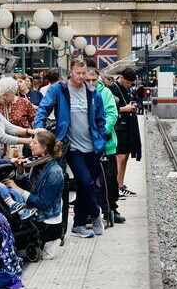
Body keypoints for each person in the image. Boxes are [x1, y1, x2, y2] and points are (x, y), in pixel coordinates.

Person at [33, 58, 107, 238]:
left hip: (93, 146)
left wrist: (102, 138)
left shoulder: (92, 91)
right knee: (86, 182)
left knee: (85, 186)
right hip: (71, 146)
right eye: (78, 73)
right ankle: (96, 215)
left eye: (85, 74)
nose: (82, 77)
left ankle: (79, 224)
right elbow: (43, 108)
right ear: (71, 72)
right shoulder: (59, 90)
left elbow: (100, 118)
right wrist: (38, 127)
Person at [3, 131, 64, 259]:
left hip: (47, 219)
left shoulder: (55, 172)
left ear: (45, 148)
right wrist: (20, 172)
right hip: (36, 211)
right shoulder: (36, 163)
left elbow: (42, 202)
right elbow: (29, 187)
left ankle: (53, 238)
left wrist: (17, 188)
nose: (30, 145)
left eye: (34, 142)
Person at [87, 70, 125, 224]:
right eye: (87, 80)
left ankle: (112, 208)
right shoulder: (79, 93)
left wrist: (100, 133)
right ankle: (92, 210)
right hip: (86, 146)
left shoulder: (105, 93)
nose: (90, 83)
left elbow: (112, 114)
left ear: (98, 79)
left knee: (109, 179)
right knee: (90, 180)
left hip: (106, 144)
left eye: (93, 80)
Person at [109, 68, 142, 197]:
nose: (129, 85)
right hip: (118, 127)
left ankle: (120, 183)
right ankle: (115, 185)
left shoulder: (126, 89)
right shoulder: (112, 88)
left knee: (126, 157)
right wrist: (124, 108)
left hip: (127, 126)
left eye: (130, 83)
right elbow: (110, 108)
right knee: (120, 157)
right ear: (121, 77)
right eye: (127, 82)